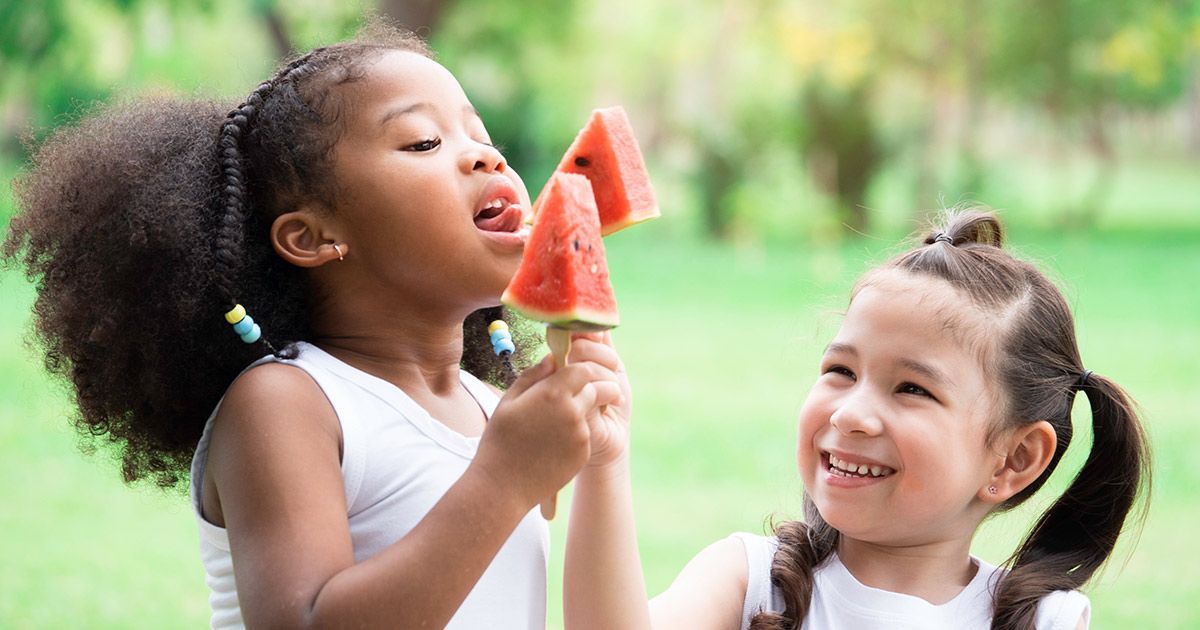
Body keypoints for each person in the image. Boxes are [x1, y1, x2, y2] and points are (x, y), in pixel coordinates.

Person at [3, 22, 634, 629]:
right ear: (313, 238)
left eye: (481, 136)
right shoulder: (287, 404)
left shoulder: (497, 411)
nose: (486, 158)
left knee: (736, 570)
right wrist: (504, 478)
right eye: (423, 142)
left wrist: (604, 458)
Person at [566, 211, 1151, 630]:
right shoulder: (749, 581)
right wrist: (604, 463)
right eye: (841, 371)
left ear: (1014, 458)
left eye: (912, 388)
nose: (850, 412)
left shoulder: (1041, 621)